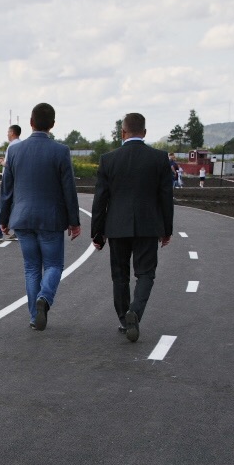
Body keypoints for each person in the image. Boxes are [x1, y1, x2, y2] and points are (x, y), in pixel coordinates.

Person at [91, 112, 174, 342]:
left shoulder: (108, 159)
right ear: (145, 133)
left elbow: (100, 200)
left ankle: (123, 320)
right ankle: (134, 312)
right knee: (145, 274)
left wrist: (97, 232)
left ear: (122, 132)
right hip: (148, 226)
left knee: (120, 276)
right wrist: (167, 229)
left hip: (116, 226)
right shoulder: (159, 159)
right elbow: (166, 197)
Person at [0, 103, 81, 330]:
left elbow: (7, 189)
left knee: (31, 268)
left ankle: (35, 317)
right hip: (51, 220)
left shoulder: (14, 151)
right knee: (54, 265)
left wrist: (3, 220)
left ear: (31, 123)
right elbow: (68, 189)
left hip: (22, 219)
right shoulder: (61, 151)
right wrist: (74, 221)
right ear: (52, 125)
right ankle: (44, 298)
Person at [0, 124, 23, 241]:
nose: (7, 134)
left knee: (2, 206)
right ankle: (16, 231)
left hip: (10, 181)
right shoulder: (21, 144)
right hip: (17, 180)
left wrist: (1, 162)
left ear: (12, 133)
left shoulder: (12, 145)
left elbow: (9, 164)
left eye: (8, 132)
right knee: (13, 206)